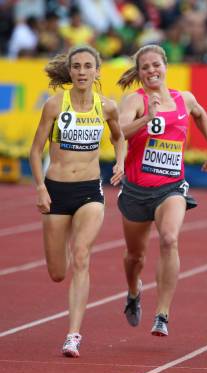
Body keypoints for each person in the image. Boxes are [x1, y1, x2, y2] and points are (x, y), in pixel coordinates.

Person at [116, 45, 207, 336]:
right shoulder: (134, 101)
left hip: (170, 188)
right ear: (139, 73)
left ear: (165, 66)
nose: (151, 71)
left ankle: (162, 313)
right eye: (145, 67)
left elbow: (199, 114)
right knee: (135, 257)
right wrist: (146, 118)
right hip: (137, 189)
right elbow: (120, 131)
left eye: (155, 65)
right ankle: (133, 290)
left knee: (169, 239)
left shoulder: (183, 98)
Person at [29, 45, 125, 357]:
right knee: (58, 272)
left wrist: (120, 162)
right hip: (56, 190)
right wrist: (41, 188)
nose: (82, 72)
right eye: (77, 67)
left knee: (81, 255)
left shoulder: (107, 107)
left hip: (89, 192)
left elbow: (118, 136)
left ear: (97, 71)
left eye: (88, 66)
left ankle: (73, 334)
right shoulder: (55, 105)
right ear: (70, 72)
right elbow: (35, 151)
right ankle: (66, 271)